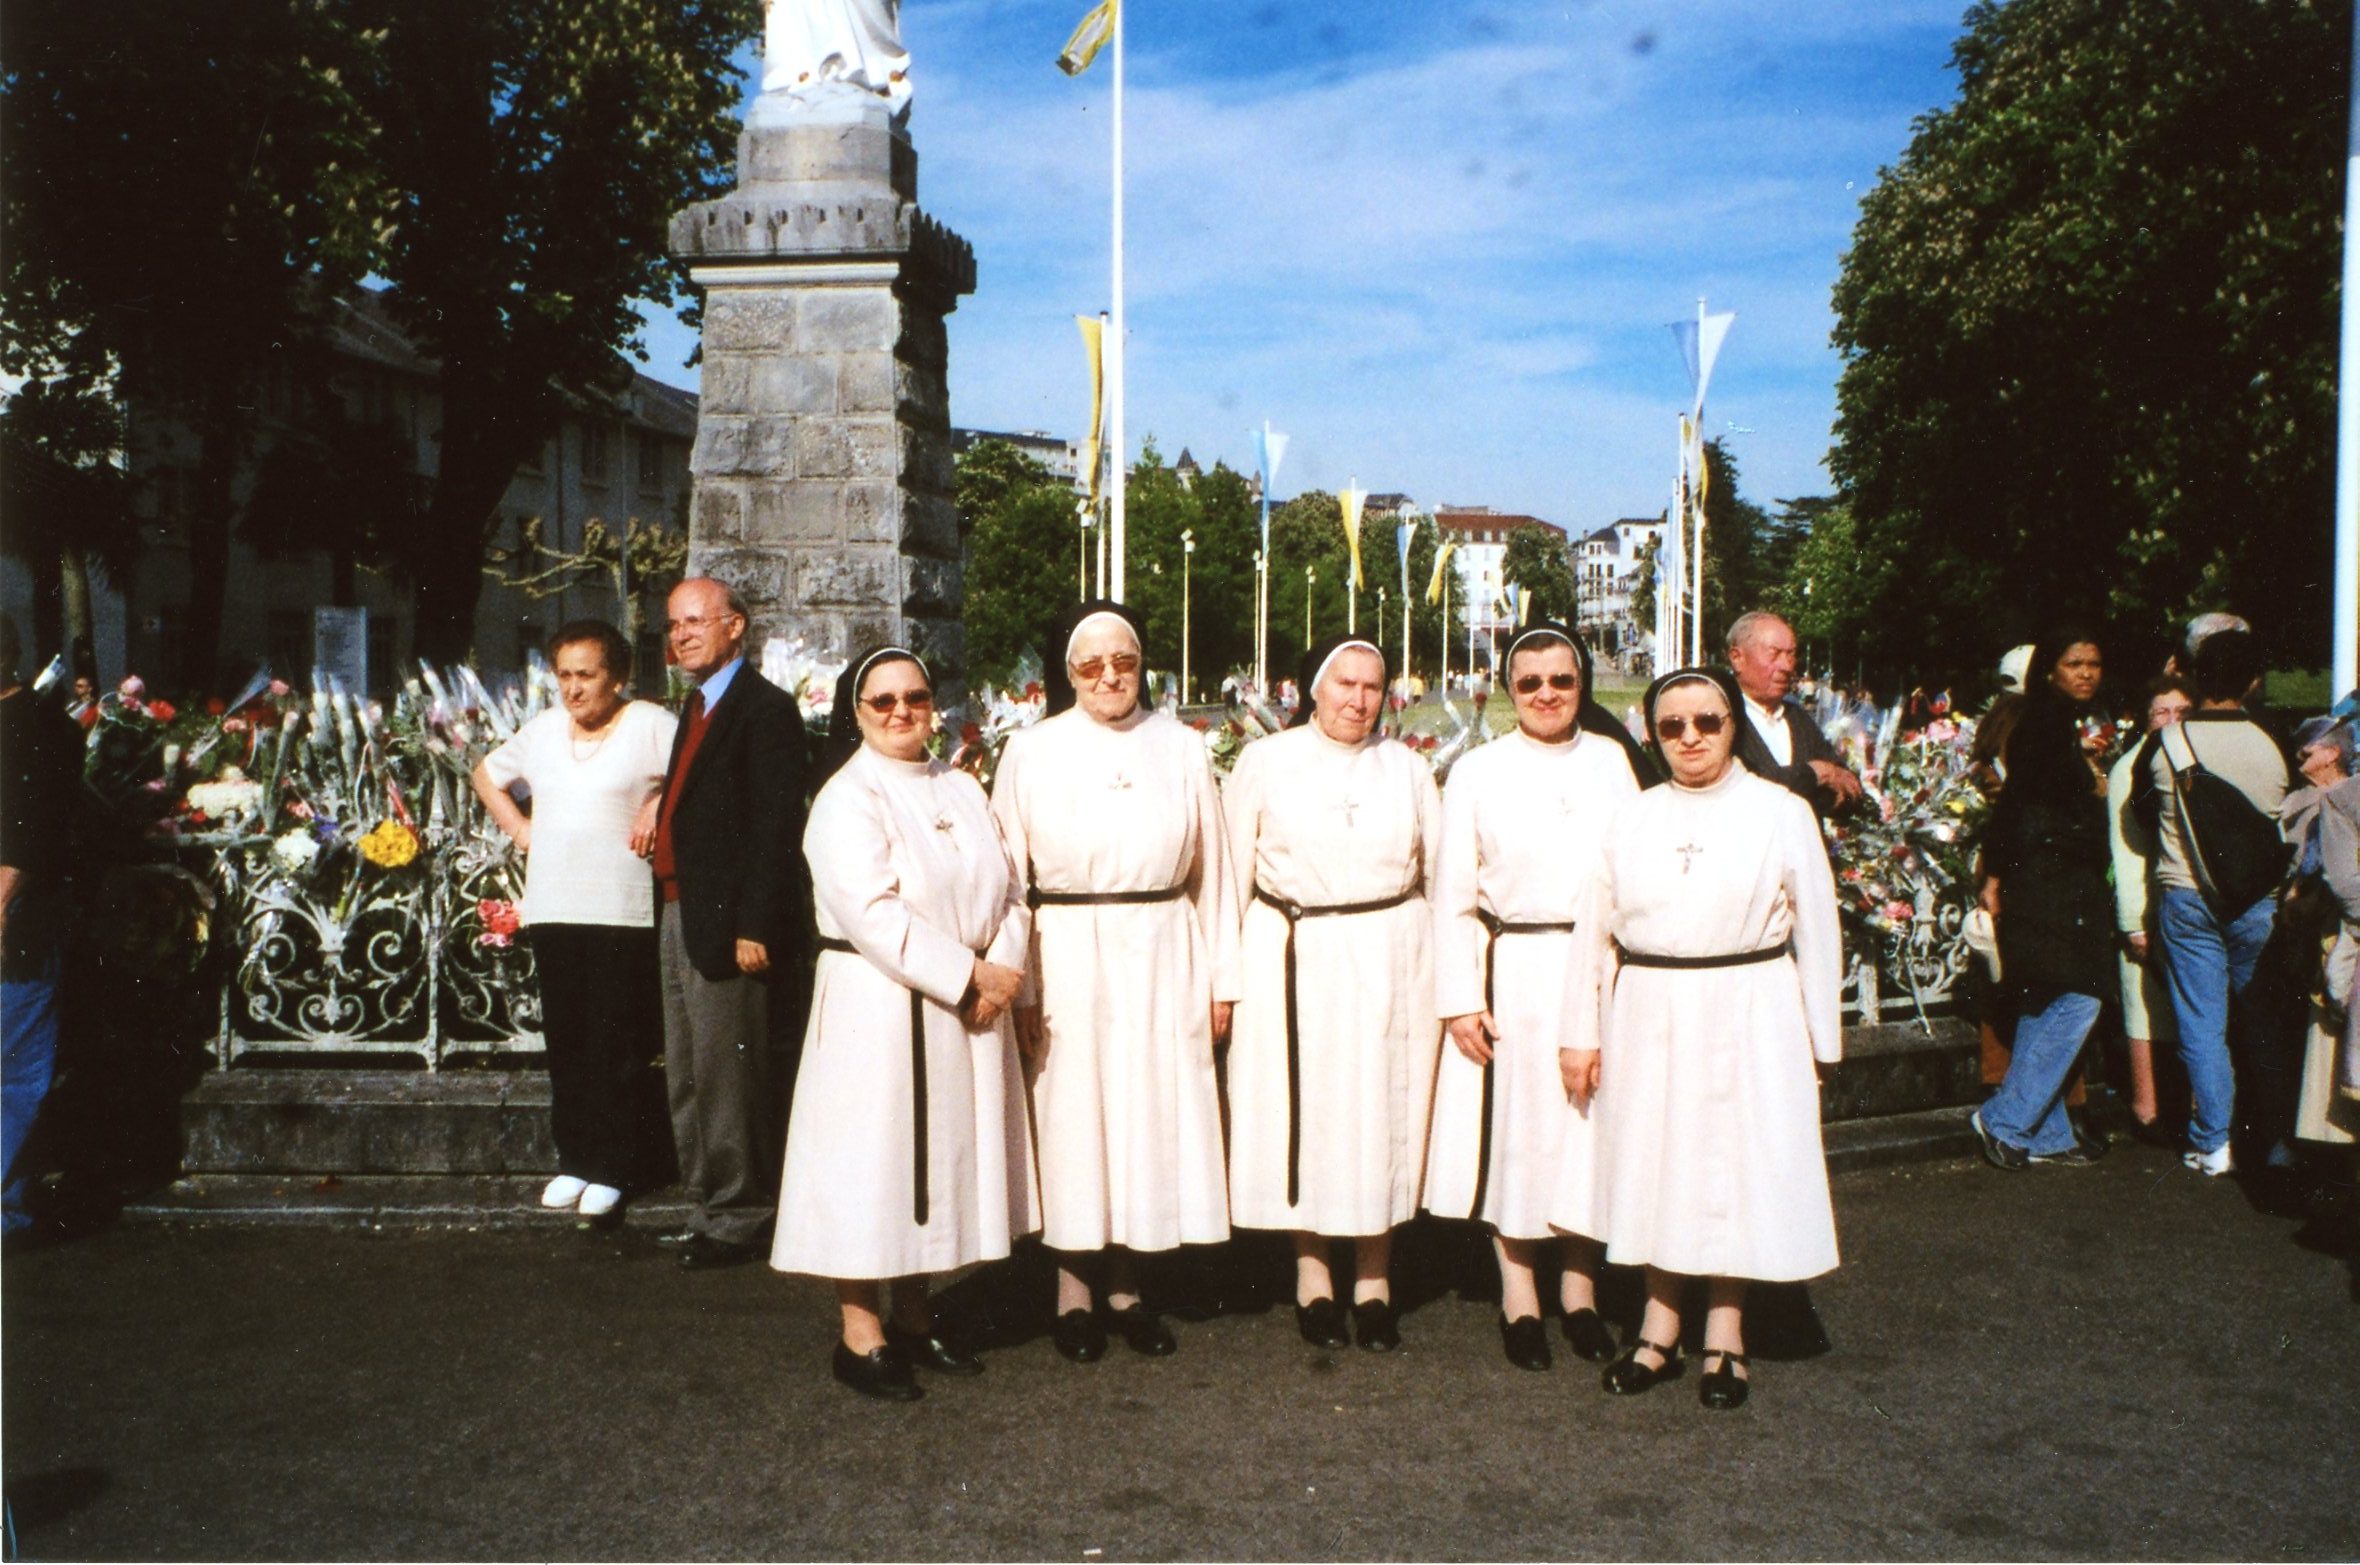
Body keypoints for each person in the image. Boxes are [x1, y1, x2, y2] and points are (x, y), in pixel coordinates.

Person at [1557, 667, 1842, 1411]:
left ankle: (1725, 1333)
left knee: (1733, 1166)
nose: (1689, 738)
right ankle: (1657, 1329)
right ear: (1652, 731)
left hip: (1751, 1005)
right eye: (1672, 725)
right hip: (1650, 1007)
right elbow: (1594, 932)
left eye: (1707, 723)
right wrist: (1579, 1033)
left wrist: (1820, 1042)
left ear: (1731, 725)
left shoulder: (1780, 811)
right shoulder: (1631, 816)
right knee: (1659, 1163)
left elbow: (1819, 928)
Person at [771, 647, 1036, 1402]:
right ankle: (861, 1333)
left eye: (914, 697)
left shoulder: (959, 784)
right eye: (881, 701)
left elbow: (1014, 889)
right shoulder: (846, 797)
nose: (900, 713)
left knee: (932, 1165)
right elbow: (872, 913)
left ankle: (917, 1317)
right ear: (855, 711)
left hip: (964, 1006)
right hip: (878, 1008)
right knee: (873, 1166)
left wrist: (1003, 967)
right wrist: (968, 974)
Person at [989, 600, 1239, 1362]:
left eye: (1122, 662)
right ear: (1068, 674)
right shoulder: (1031, 752)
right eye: (1090, 665)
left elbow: (1216, 875)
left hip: (1163, 949)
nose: (1108, 677)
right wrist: (1022, 987)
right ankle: (1071, 1287)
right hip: (1065, 951)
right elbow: (1006, 882)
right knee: (1075, 1115)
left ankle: (1129, 1284)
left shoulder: (1183, 747)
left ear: (1142, 666)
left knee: (1144, 1115)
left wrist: (1221, 980)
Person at [1422, 623, 1644, 1372]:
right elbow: (1451, 892)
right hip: (1514, 966)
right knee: (1519, 1135)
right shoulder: (1479, 771)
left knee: (1586, 1131)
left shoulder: (1613, 761)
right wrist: (1459, 996)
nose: (1547, 694)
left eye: (1562, 680)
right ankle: (1519, 1295)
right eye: (1531, 682)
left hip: (1600, 967)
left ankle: (1580, 1293)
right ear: (1510, 688)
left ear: (1581, 684)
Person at [1224, 636, 1442, 1352]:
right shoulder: (1265, 761)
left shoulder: (1408, 770)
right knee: (1307, 1112)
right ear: (1312, 689)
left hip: (1389, 952)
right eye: (1343, 683)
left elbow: (1438, 876)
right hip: (1293, 952)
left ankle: (1374, 1280)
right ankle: (1313, 1274)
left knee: (1382, 1110)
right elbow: (1227, 876)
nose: (1357, 699)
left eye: (1372, 686)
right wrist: (1223, 978)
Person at [472, 621, 677, 1221]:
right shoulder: (541, 731)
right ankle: (576, 1159)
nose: (574, 689)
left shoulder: (648, 725)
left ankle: (614, 1167)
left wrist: (659, 800)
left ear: (616, 676)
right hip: (555, 903)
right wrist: (520, 830)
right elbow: (487, 774)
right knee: (568, 1040)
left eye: (587, 675)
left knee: (616, 1041)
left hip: (620, 908)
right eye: (564, 675)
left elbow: (697, 770)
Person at [651, 577, 810, 1268]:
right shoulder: (696, 705)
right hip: (681, 907)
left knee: (727, 1074)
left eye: (695, 621)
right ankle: (707, 1203)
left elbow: (776, 826)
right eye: (673, 624)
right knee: (687, 1069)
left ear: (735, 627)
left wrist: (756, 924)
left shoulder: (763, 710)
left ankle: (742, 1213)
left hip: (728, 920)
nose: (681, 634)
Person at [2130, 629, 2292, 1176]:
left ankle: (2214, 1140)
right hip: (2258, 900)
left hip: (2186, 892)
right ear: (2252, 681)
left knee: (2202, 1024)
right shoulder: (2272, 743)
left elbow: (2142, 813)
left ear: (2196, 679)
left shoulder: (2168, 743)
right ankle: (2275, 1140)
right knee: (2263, 1022)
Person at [1968, 631, 2117, 1170]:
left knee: (2044, 997)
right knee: (2083, 995)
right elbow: (2018, 804)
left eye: (2094, 663)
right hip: (2046, 875)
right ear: (2049, 670)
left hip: (2050, 872)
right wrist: (1997, 874)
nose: (2086, 673)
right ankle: (2005, 1118)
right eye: (2073, 663)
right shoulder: (2043, 722)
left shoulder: (2057, 721)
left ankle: (2045, 1133)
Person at [2, 621, 81, 1245]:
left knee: (15, 1072)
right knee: (16, 1073)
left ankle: (6, 1209)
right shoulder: (49, 723)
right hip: (27, 921)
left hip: (16, 923)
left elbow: (22, 840)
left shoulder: (28, 730)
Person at [2109, 674, 2195, 1142]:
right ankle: (2147, 1106)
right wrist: (2132, 921)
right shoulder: (2130, 767)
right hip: (2143, 907)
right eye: (2162, 711)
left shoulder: (2185, 759)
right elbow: (2127, 852)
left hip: (2178, 903)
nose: (2171, 720)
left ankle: (2180, 1106)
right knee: (2143, 1012)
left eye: (2181, 712)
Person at [1724, 611, 1863, 817]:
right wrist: (1814, 774)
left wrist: (1809, 786)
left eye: (1791, 654)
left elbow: (1848, 785)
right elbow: (1740, 790)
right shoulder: (1721, 719)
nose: (1787, 666)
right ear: (1737, 658)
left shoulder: (1797, 717)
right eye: (1775, 653)